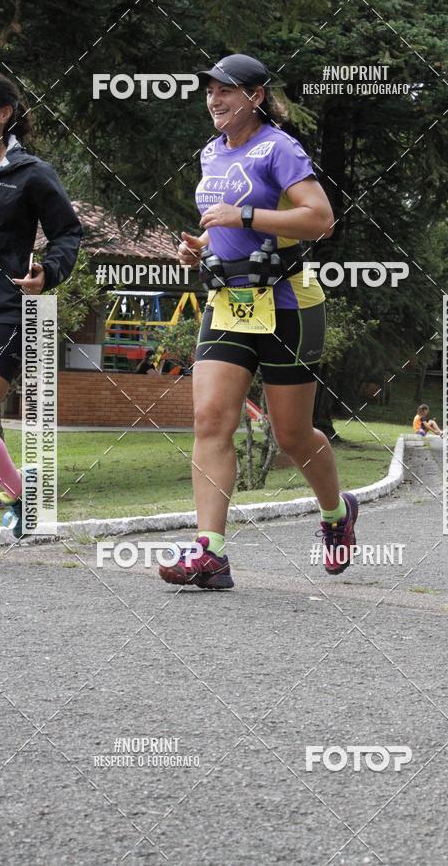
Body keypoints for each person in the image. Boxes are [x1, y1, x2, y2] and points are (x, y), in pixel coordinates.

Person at [159, 54, 358, 591]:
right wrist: (201, 249)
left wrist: (244, 216)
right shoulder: (210, 153)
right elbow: (221, 228)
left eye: (226, 91)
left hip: (288, 304)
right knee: (209, 420)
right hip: (229, 303)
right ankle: (211, 553)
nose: (214, 100)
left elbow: (320, 220)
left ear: (256, 96)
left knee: (292, 435)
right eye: (209, 92)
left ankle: (337, 513)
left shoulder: (279, 147)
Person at [0, 71, 82, 570]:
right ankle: (25, 496)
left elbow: (69, 233)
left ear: (4, 114)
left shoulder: (28, 172)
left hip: (1, 310)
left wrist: (48, 273)